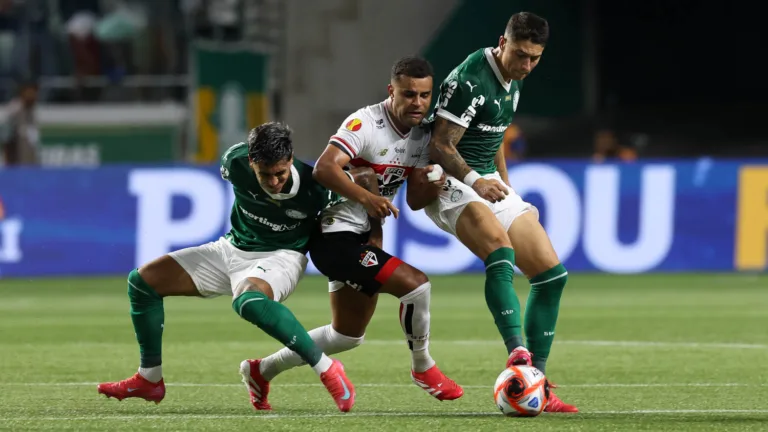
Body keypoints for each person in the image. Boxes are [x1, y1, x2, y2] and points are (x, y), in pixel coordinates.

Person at [97, 122, 376, 413]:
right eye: (265, 174)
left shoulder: (318, 186)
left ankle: (327, 368)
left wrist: (375, 230)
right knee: (143, 281)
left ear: (290, 160)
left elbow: (366, 177)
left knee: (248, 301)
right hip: (231, 248)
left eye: (280, 173)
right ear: (251, 162)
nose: (274, 182)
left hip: (282, 256)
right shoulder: (233, 162)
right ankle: (149, 378)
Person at [238, 57, 463, 410]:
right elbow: (325, 169)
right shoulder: (366, 123)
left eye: (424, 95)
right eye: (409, 94)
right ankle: (423, 366)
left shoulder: (422, 137)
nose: (418, 103)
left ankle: (261, 370)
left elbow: (417, 201)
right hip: (333, 236)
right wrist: (369, 199)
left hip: (360, 237)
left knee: (346, 335)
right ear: (392, 91)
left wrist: (436, 179)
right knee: (417, 285)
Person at [408, 11, 577, 412]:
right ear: (502, 43)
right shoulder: (470, 80)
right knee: (500, 252)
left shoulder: (512, 82)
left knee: (552, 276)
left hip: (484, 179)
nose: (527, 65)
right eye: (520, 55)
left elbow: (494, 131)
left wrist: (504, 179)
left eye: (535, 58)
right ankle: (518, 354)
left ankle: (538, 383)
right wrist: (476, 181)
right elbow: (440, 146)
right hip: (448, 183)